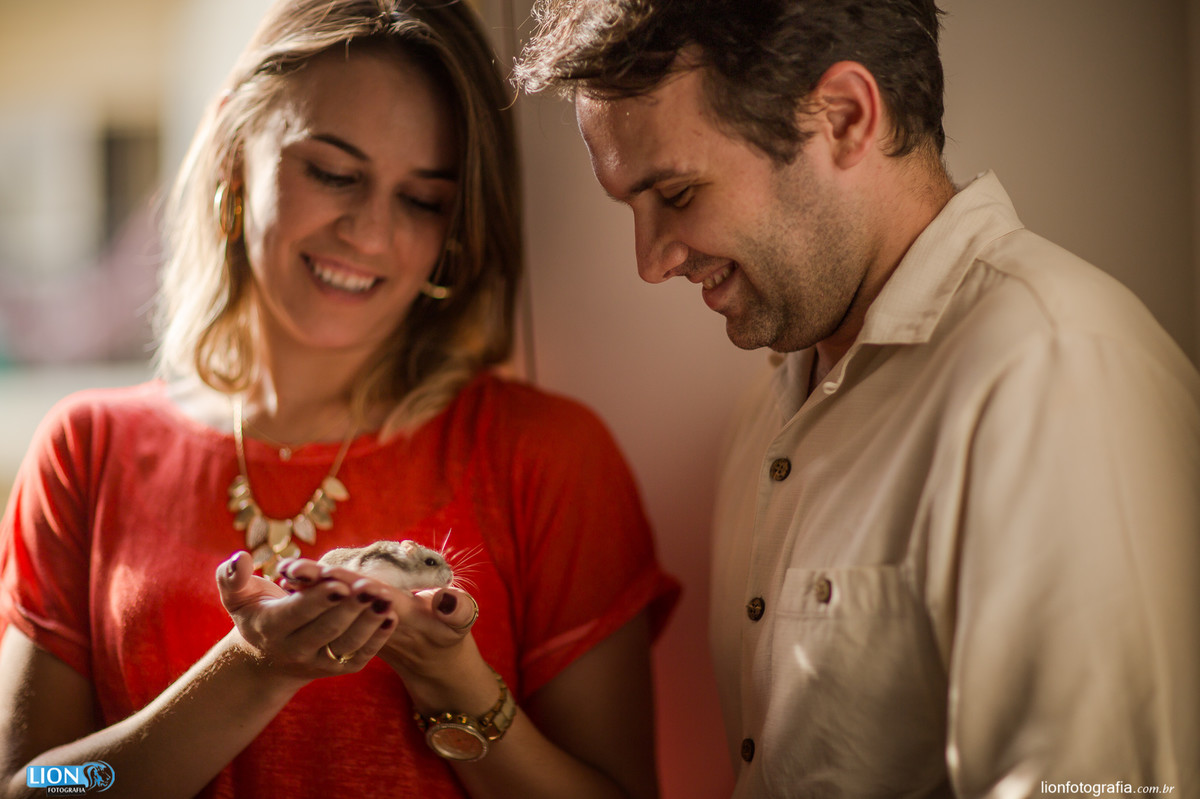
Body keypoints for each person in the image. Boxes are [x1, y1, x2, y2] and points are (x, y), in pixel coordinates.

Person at [514, 1, 1200, 796]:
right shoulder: (764, 419)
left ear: (842, 118)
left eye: (675, 193)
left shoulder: (1056, 369)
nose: (651, 261)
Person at [0, 1, 679, 797]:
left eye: (422, 199)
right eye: (332, 172)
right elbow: (38, 788)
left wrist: (453, 682)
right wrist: (248, 672)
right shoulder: (86, 448)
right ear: (231, 151)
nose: (368, 233)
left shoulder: (546, 455)